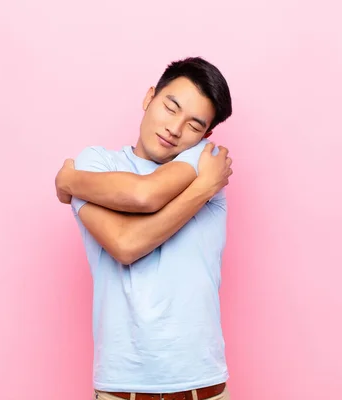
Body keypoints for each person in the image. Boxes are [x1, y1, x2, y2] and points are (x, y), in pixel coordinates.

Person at [54, 57, 234, 400]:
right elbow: (126, 241)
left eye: (194, 125)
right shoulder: (97, 163)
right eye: (170, 107)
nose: (175, 128)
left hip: (202, 387)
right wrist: (201, 190)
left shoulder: (203, 160)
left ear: (205, 136)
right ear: (149, 97)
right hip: (122, 389)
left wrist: (69, 181)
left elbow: (144, 197)